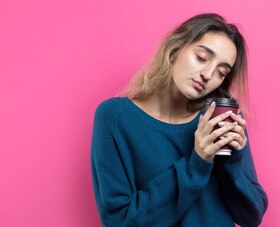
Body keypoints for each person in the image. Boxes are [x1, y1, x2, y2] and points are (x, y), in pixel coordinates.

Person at [90, 13, 269, 226]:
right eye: (201, 57)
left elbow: (251, 216)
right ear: (175, 48)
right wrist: (198, 161)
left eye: (221, 72)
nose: (208, 74)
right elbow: (119, 221)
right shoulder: (115, 117)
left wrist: (233, 159)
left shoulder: (219, 120)